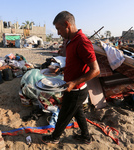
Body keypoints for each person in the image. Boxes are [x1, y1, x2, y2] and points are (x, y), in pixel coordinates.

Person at [41, 11, 100, 144]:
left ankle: (54, 138)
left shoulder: (83, 42)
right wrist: (61, 69)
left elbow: (96, 70)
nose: (57, 33)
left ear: (67, 24)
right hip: (73, 88)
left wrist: (73, 82)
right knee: (78, 113)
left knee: (63, 116)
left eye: (58, 28)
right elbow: (74, 63)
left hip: (76, 90)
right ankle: (86, 137)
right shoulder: (71, 41)